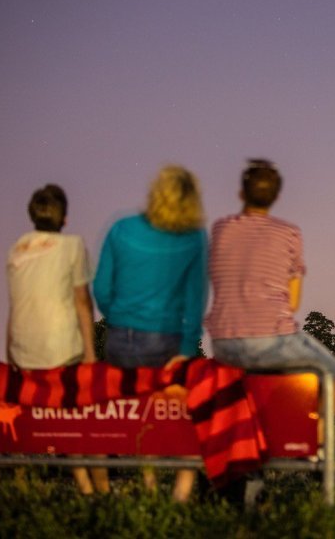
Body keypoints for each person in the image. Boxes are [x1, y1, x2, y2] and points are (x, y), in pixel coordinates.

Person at [93, 165, 207, 502]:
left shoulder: (121, 228)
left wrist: (119, 318)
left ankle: (147, 484)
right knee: (181, 416)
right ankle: (181, 494)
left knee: (139, 413)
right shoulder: (193, 238)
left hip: (120, 340)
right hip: (167, 340)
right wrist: (186, 350)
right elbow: (194, 300)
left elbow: (100, 288)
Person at [205, 159, 335, 429]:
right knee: (334, 374)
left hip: (224, 344)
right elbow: (292, 303)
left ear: (241, 193)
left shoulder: (221, 229)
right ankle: (314, 446)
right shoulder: (289, 233)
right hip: (270, 340)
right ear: (276, 197)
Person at [6, 184, 108, 494]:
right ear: (64, 218)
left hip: (23, 351)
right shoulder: (73, 245)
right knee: (87, 420)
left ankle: (81, 486)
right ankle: (101, 489)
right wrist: (90, 352)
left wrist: (10, 353)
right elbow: (81, 300)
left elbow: (15, 305)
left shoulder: (16, 250)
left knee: (58, 416)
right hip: (60, 349)